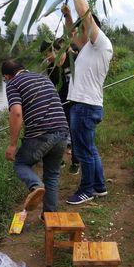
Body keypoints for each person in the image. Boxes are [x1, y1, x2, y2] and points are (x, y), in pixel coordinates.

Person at [61, 0, 113, 205]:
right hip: (84, 105)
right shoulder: (88, 48)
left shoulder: (100, 42)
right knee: (89, 150)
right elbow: (72, 36)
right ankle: (99, 187)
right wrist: (68, 15)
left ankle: (87, 189)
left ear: (93, 28)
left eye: (85, 28)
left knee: (83, 152)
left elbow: (86, 15)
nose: (81, 33)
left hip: (85, 106)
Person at [1, 59, 69, 214]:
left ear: (7, 76)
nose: (5, 82)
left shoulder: (13, 84)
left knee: (20, 164)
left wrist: (12, 145)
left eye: (4, 79)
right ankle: (49, 216)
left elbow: (16, 113)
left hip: (40, 134)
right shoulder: (44, 78)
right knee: (52, 175)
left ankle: (35, 186)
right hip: (62, 131)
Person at [40, 38, 80, 174]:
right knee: (59, 130)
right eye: (44, 56)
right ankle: (59, 159)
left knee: (74, 131)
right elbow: (53, 87)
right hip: (62, 101)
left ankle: (76, 161)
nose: (46, 58)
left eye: (47, 54)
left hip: (76, 100)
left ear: (56, 50)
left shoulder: (74, 58)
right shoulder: (51, 67)